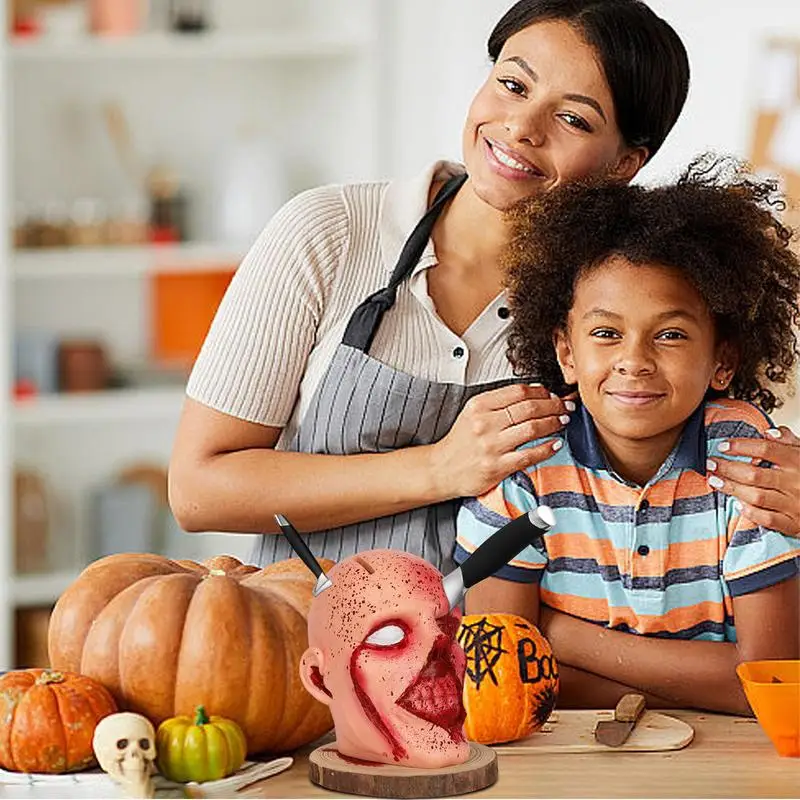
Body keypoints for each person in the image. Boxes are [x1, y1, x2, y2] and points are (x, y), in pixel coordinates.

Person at [168, 0, 800, 575]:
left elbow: (684, 448)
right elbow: (199, 489)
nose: (522, 127)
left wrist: (780, 477)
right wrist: (441, 468)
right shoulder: (331, 235)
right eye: (512, 84)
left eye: (574, 119)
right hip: (303, 651)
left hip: (508, 674)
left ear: (624, 164)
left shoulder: (608, 302)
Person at [455, 154, 800, 715]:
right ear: (567, 352)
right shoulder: (526, 461)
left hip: (721, 765)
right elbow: (503, 680)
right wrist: (707, 686)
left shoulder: (748, 461)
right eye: (605, 332)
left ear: (723, 360)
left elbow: (767, 685)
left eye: (669, 334)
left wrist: (562, 637)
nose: (633, 361)